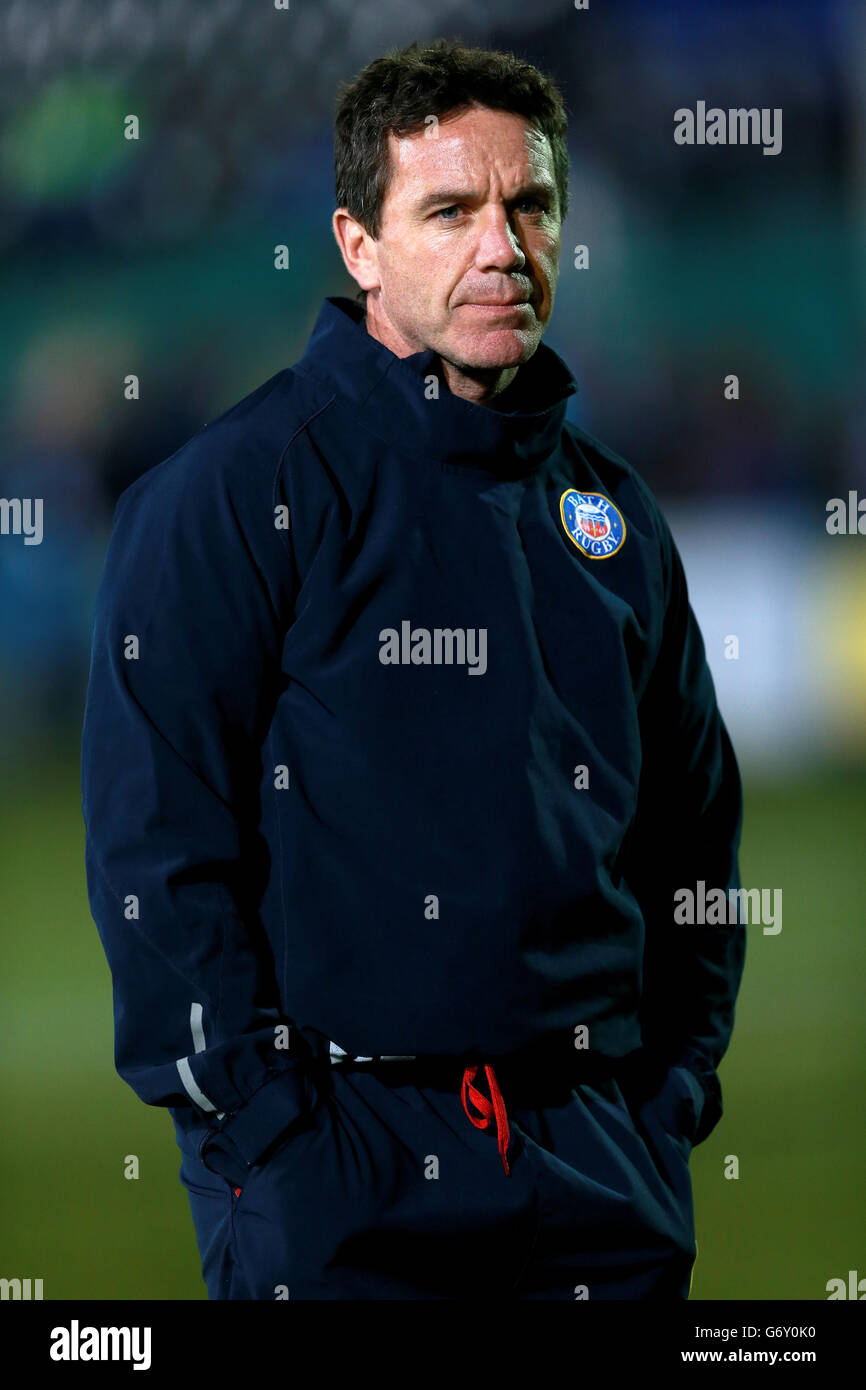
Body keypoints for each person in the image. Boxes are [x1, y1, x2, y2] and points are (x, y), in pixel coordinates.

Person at [81, 38, 746, 1301]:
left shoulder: (611, 512)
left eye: (529, 206)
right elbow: (154, 849)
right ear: (357, 244)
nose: (501, 246)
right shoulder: (231, 494)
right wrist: (259, 1122)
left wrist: (669, 1094)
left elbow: (691, 839)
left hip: (602, 1174)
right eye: (448, 210)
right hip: (339, 1177)